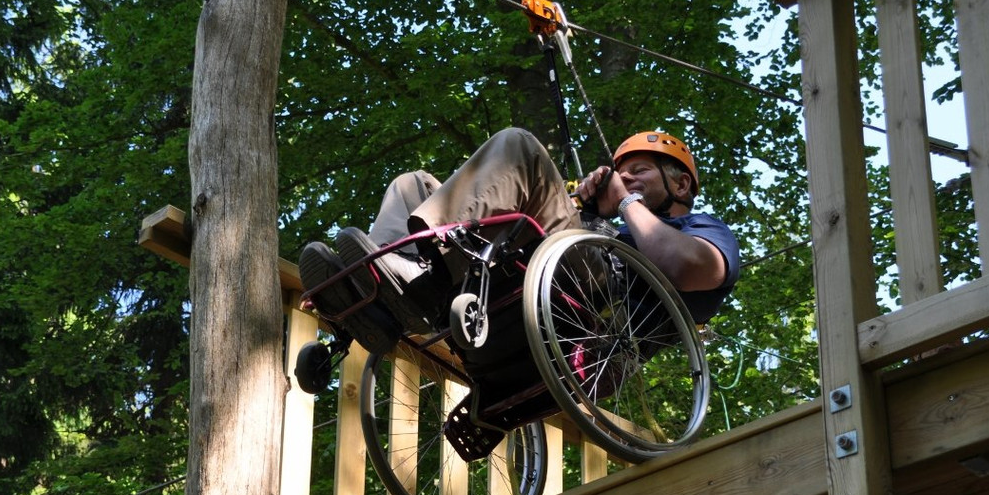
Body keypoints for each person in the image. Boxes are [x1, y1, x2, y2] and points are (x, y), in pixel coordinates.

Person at [299, 126, 739, 355]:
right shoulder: (620, 222)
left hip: (596, 304)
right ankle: (373, 285)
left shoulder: (703, 230)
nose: (624, 178)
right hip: (540, 276)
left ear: (681, 186)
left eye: (639, 172)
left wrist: (623, 204)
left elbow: (683, 267)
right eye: (621, 173)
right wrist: (585, 209)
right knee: (413, 184)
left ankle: (416, 275)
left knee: (519, 146)